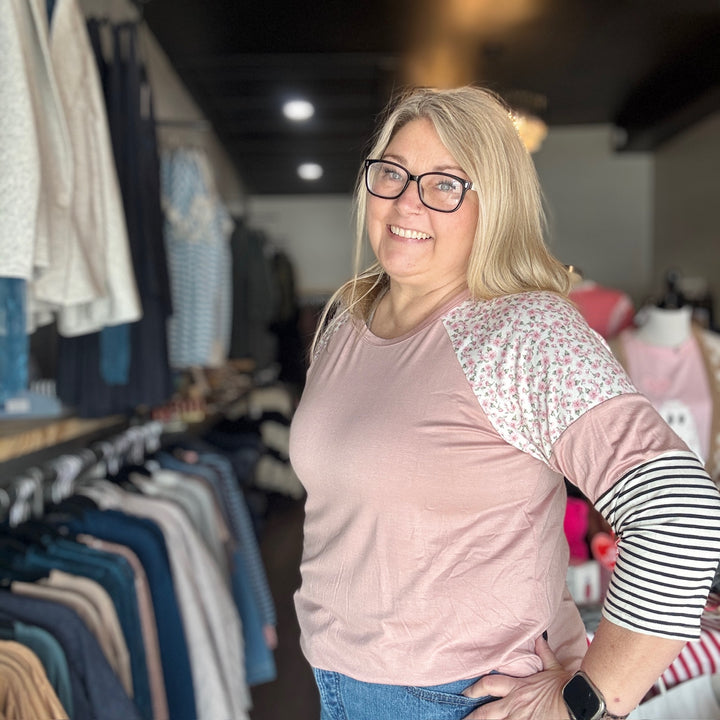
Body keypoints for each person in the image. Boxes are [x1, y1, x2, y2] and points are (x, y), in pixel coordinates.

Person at [288, 85, 720, 720]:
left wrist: (588, 700)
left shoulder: (521, 330)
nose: (409, 200)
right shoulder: (346, 320)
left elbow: (678, 512)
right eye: (392, 173)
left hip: (464, 699)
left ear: (494, 205)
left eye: (445, 184)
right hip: (338, 683)